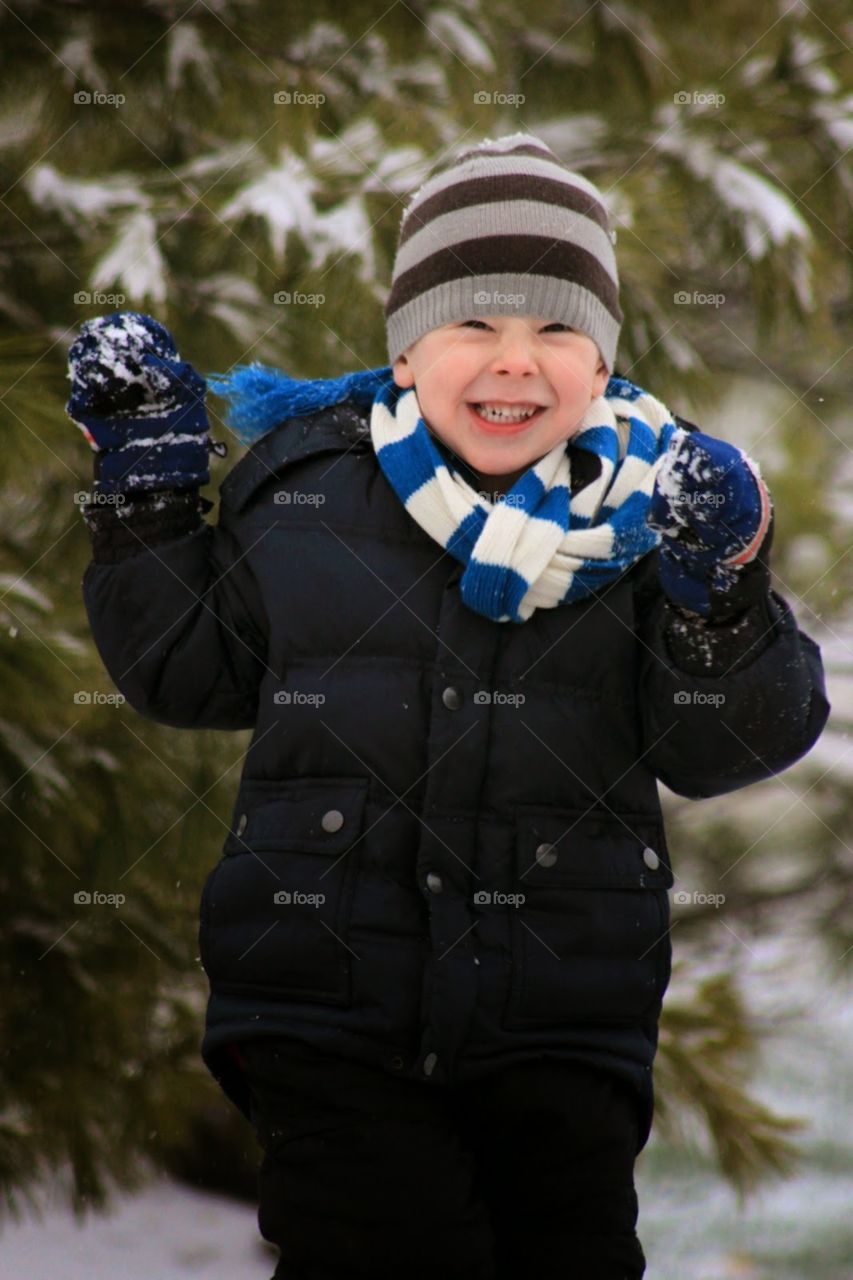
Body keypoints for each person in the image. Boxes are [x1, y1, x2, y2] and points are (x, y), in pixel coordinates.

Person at [67, 132, 829, 1280]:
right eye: (474, 322)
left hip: (562, 1020)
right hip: (325, 1011)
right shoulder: (307, 489)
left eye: (557, 330)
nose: (515, 362)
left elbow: (719, 745)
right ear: (406, 347)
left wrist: (719, 597)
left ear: (602, 359)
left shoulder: (650, 513)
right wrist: (148, 497)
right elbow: (184, 668)